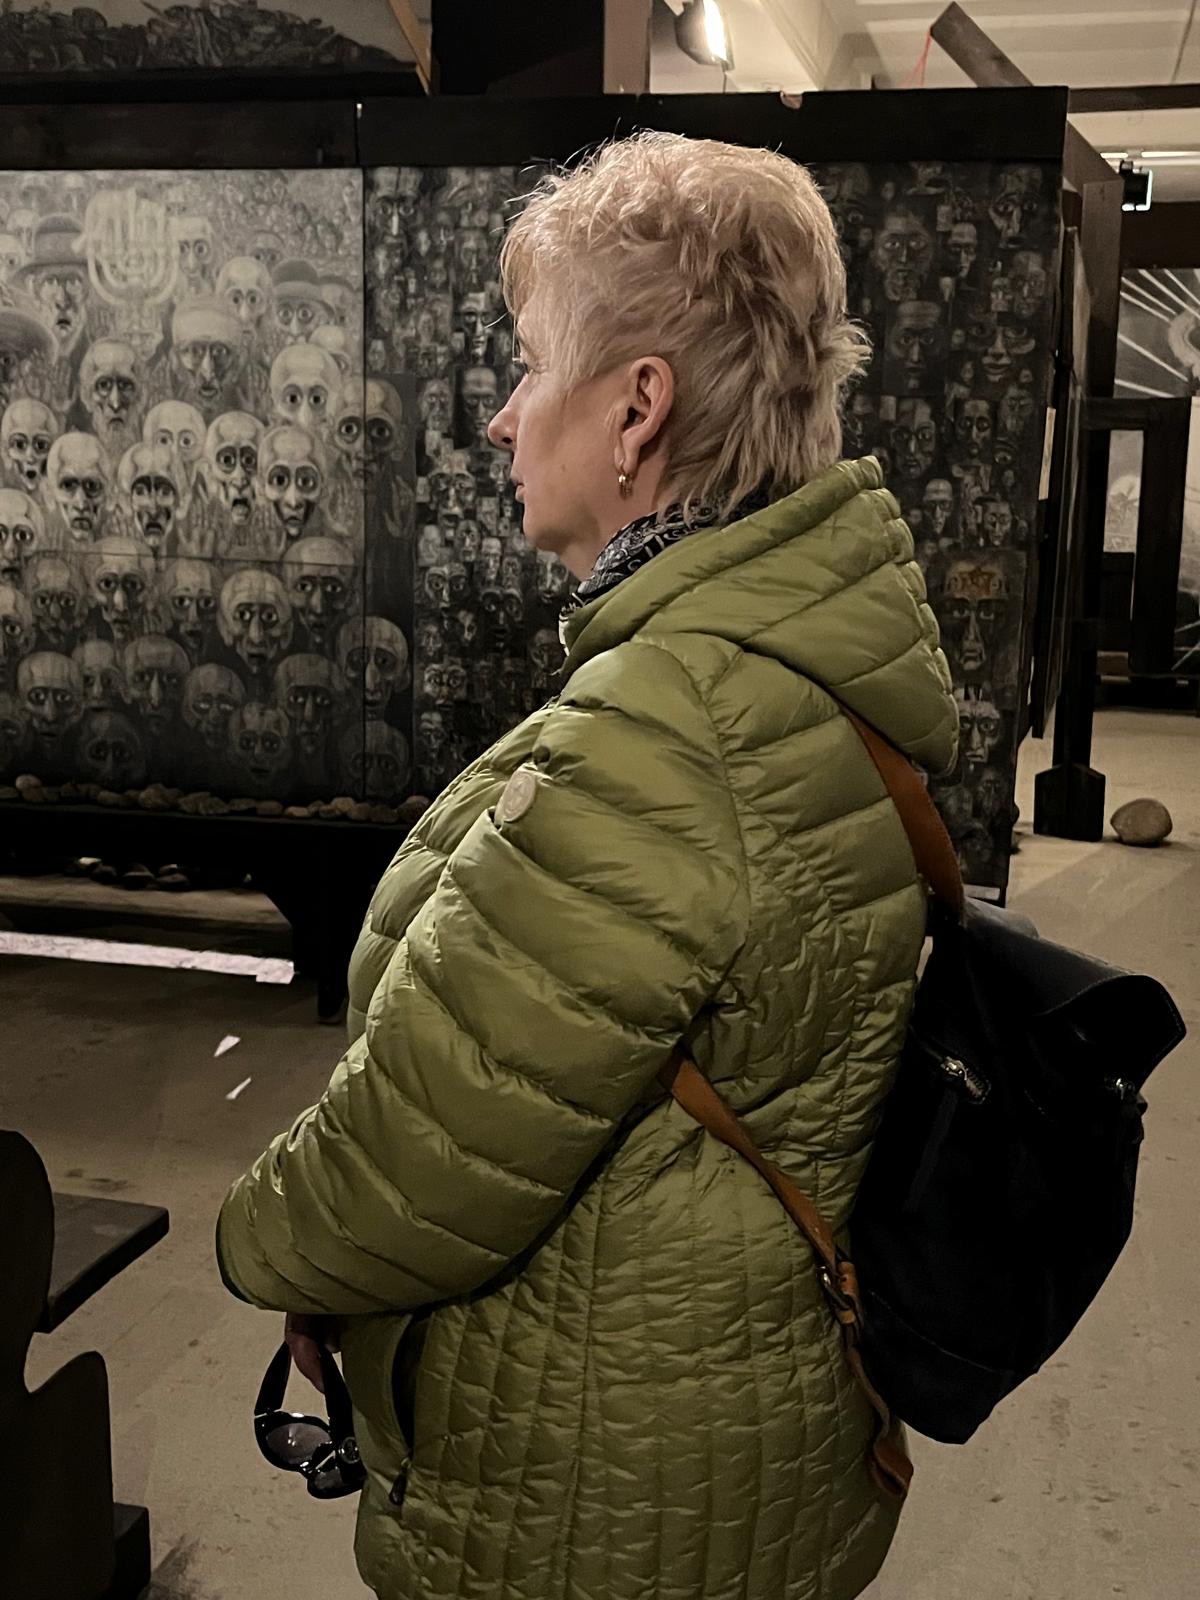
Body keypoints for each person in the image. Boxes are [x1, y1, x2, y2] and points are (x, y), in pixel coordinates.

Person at [216, 132, 958, 1600]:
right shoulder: (793, 666)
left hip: (595, 1502)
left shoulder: (664, 727)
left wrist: (270, 1250)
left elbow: (422, 1150)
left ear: (636, 409)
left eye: (533, 367)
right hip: (733, 1442)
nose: (502, 418)